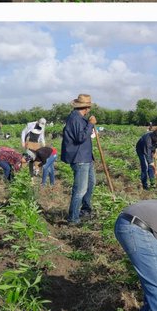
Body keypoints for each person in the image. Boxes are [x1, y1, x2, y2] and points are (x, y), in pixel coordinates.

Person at [61, 93, 98, 225]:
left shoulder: (81, 118)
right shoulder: (75, 119)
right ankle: (73, 218)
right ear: (86, 107)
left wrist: (89, 125)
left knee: (91, 184)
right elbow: (80, 138)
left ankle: (85, 210)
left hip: (86, 157)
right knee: (80, 190)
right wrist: (90, 124)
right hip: (79, 158)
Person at [136, 124, 157, 190]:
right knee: (145, 166)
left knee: (150, 167)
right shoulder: (147, 140)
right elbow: (147, 154)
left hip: (150, 149)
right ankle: (145, 185)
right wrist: (155, 168)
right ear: (153, 137)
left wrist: (156, 152)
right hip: (141, 150)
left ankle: (152, 182)